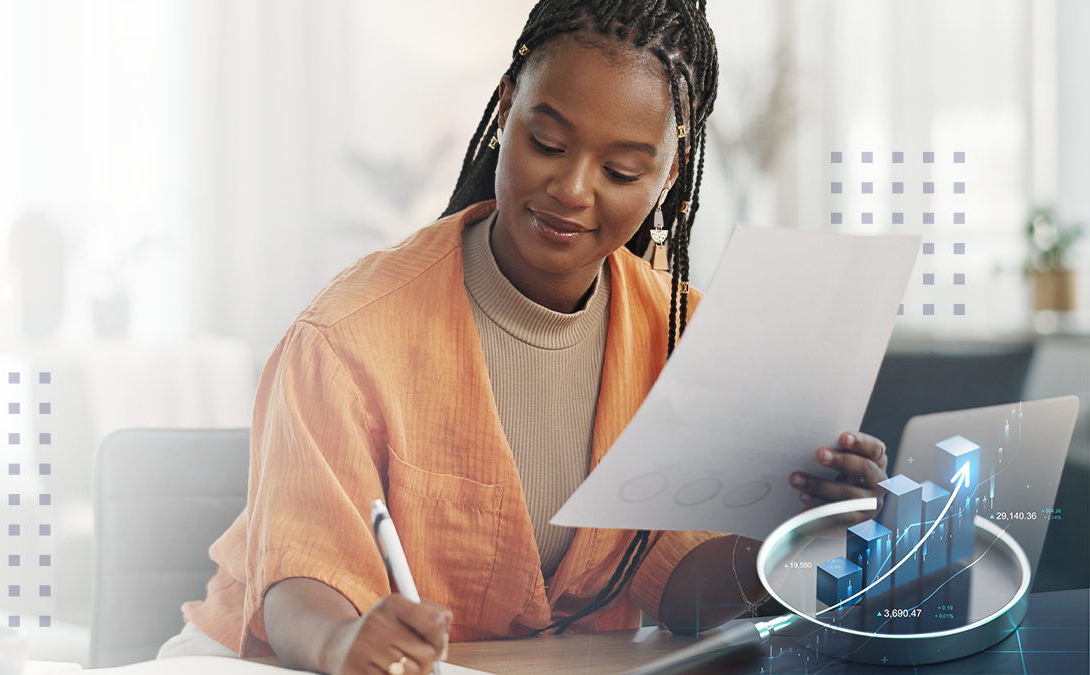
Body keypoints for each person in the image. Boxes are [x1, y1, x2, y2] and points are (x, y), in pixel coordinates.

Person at [164, 2, 890, 673]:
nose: (572, 189)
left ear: (669, 175)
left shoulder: (682, 339)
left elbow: (678, 592)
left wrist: (791, 533)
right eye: (547, 142)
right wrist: (343, 641)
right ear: (507, 106)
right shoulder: (347, 334)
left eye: (621, 170)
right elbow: (301, 578)